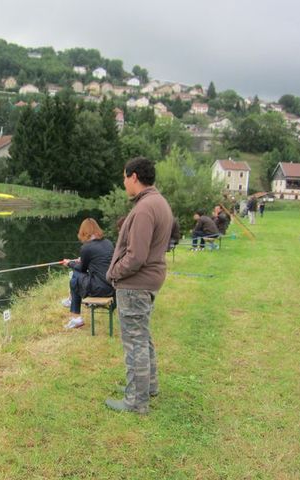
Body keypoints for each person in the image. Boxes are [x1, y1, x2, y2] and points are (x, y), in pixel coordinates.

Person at [105, 157, 173, 415]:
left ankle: (135, 401)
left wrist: (114, 273)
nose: (124, 183)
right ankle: (147, 387)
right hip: (148, 282)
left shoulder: (144, 208)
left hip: (135, 284)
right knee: (143, 337)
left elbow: (136, 256)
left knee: (135, 342)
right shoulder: (159, 202)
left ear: (134, 176)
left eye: (124, 178)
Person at [61, 218, 115, 329]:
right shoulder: (108, 243)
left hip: (99, 289)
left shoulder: (86, 247)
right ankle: (71, 302)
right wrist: (82, 261)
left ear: (83, 232)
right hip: (112, 287)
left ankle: (75, 316)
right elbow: (98, 262)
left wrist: (69, 263)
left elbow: (82, 269)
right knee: (76, 277)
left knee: (75, 275)